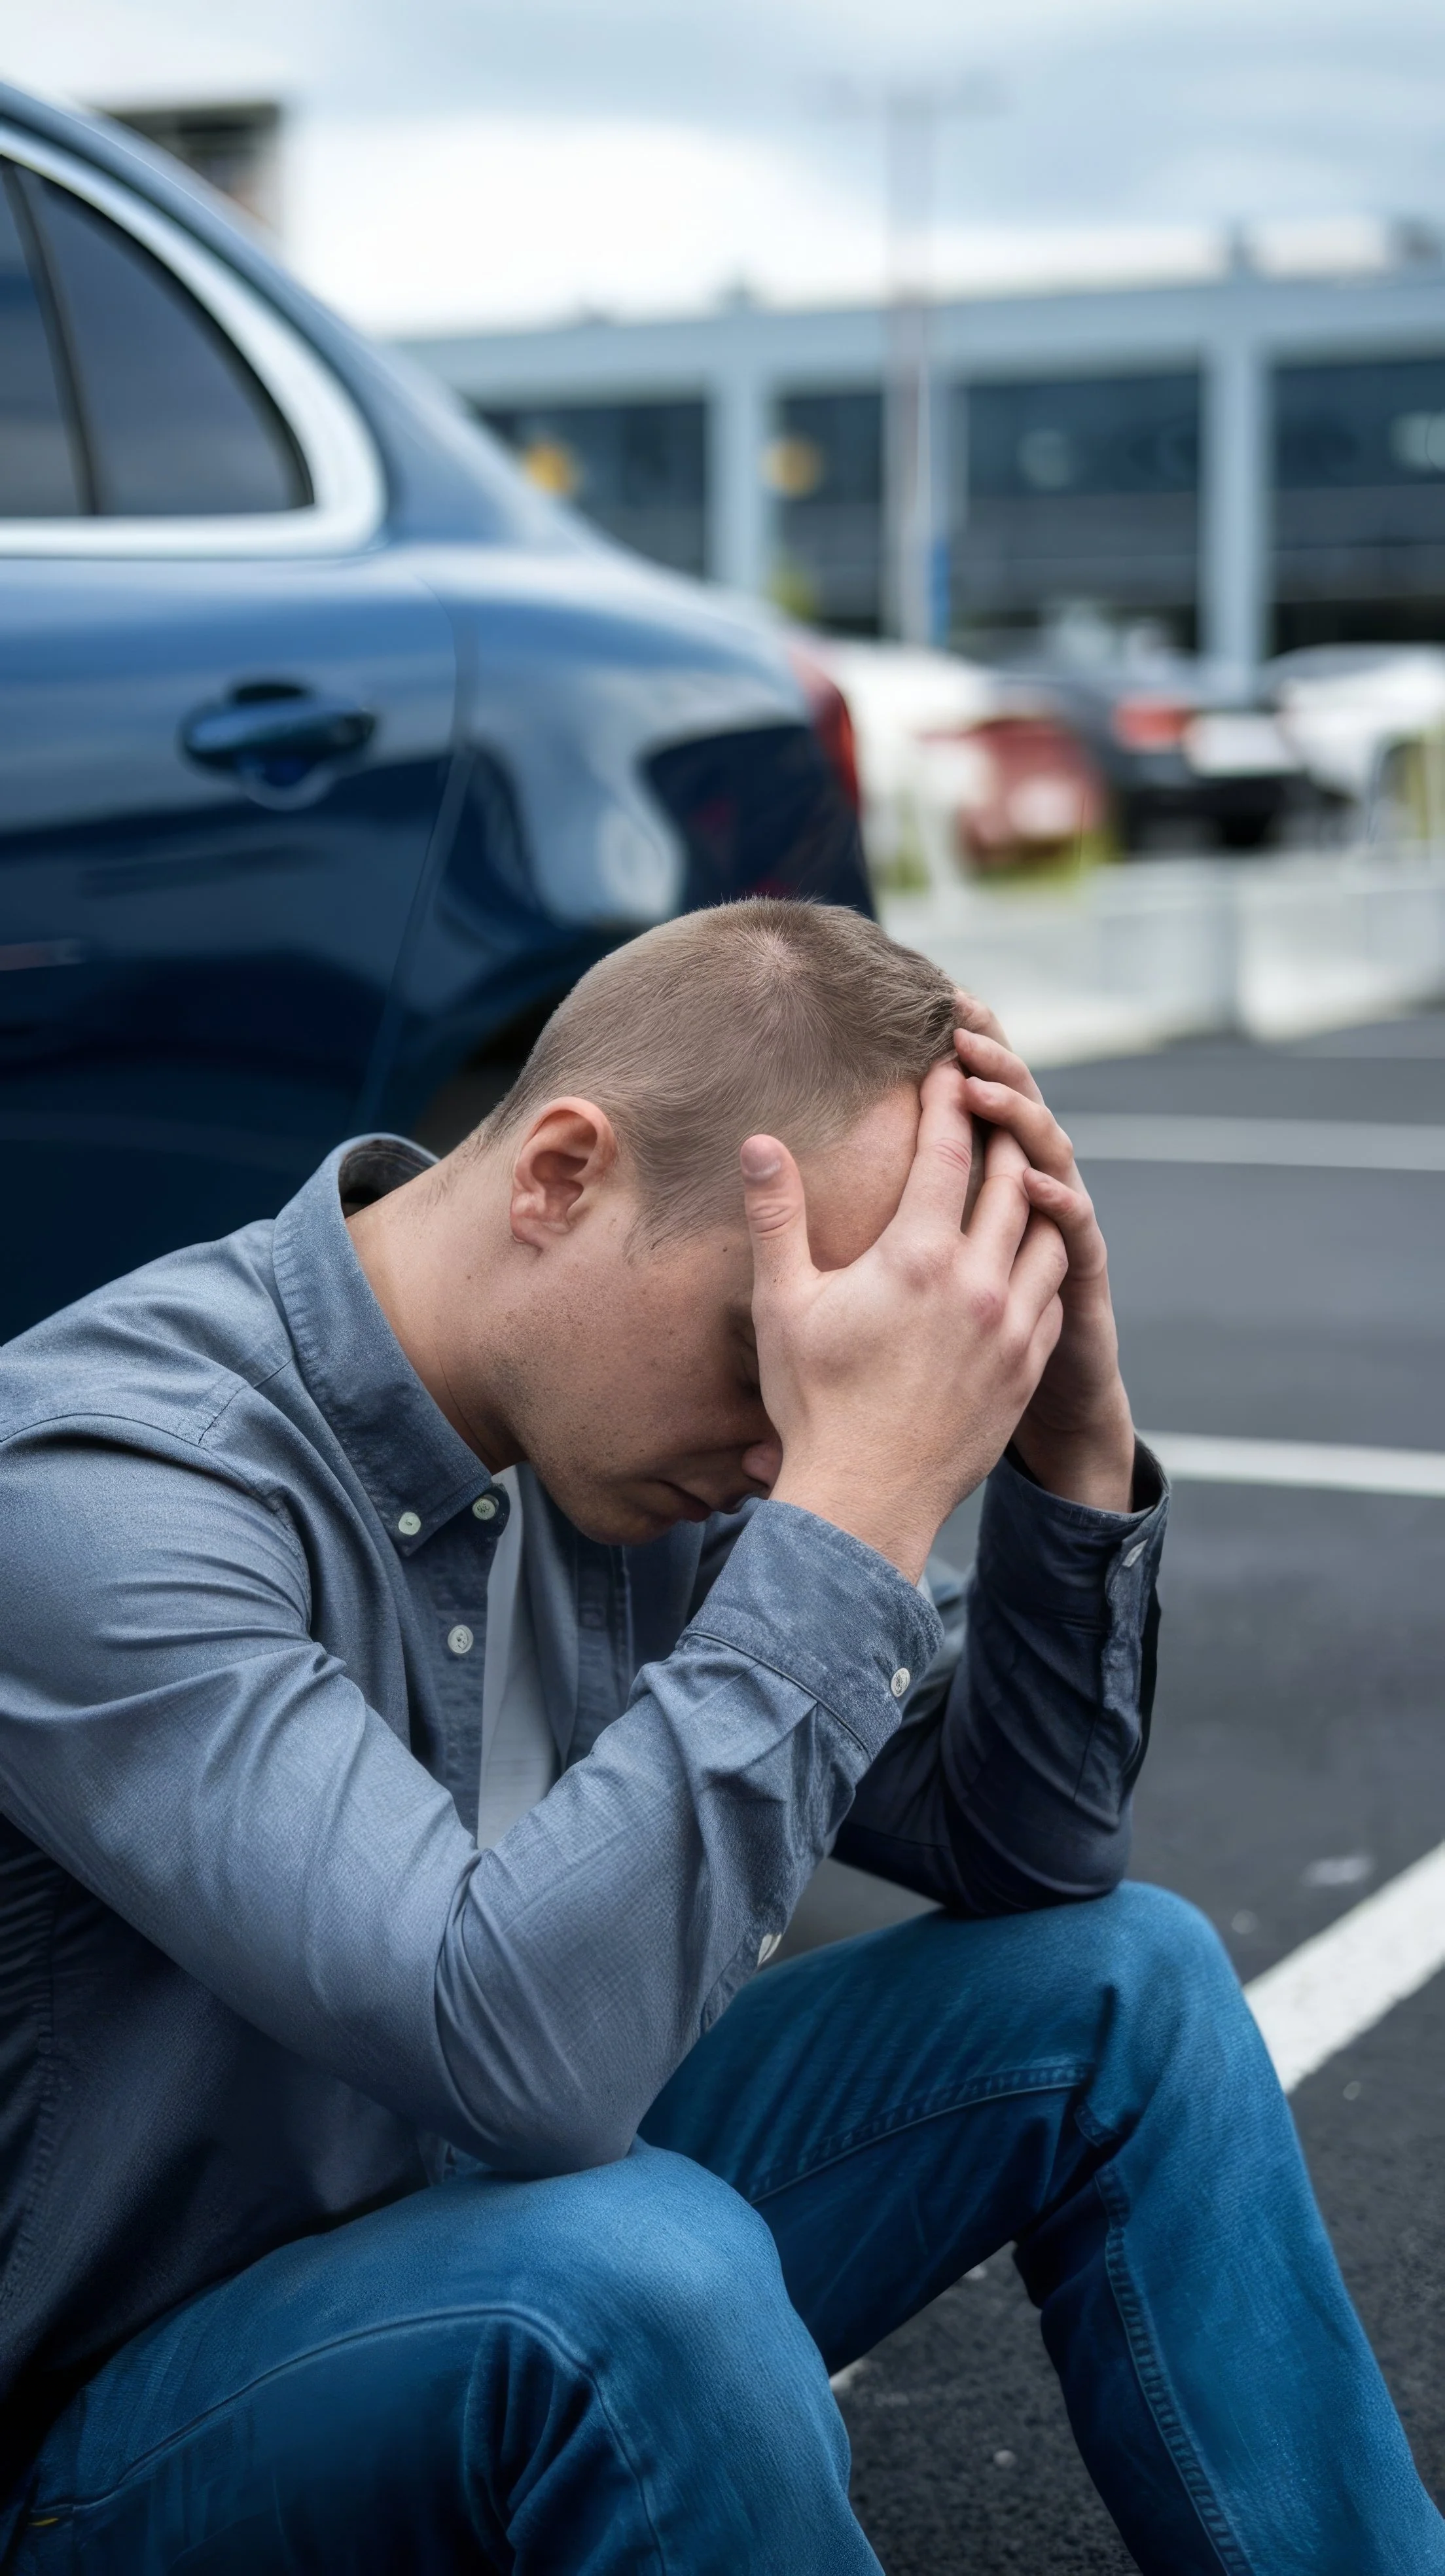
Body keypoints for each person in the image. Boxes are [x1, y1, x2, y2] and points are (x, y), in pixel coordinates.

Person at [0, 899, 1436, 2576]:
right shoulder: (104, 1495)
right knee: (637, 2270)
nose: (786, 1449)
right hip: (124, 2442)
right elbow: (523, 2065)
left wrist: (1072, 1431)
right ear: (562, 1177)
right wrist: (860, 1495)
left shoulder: (628, 1424)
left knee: (1133, 1984)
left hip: (486, 2227)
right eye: (767, 1364)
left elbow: (1026, 1846)